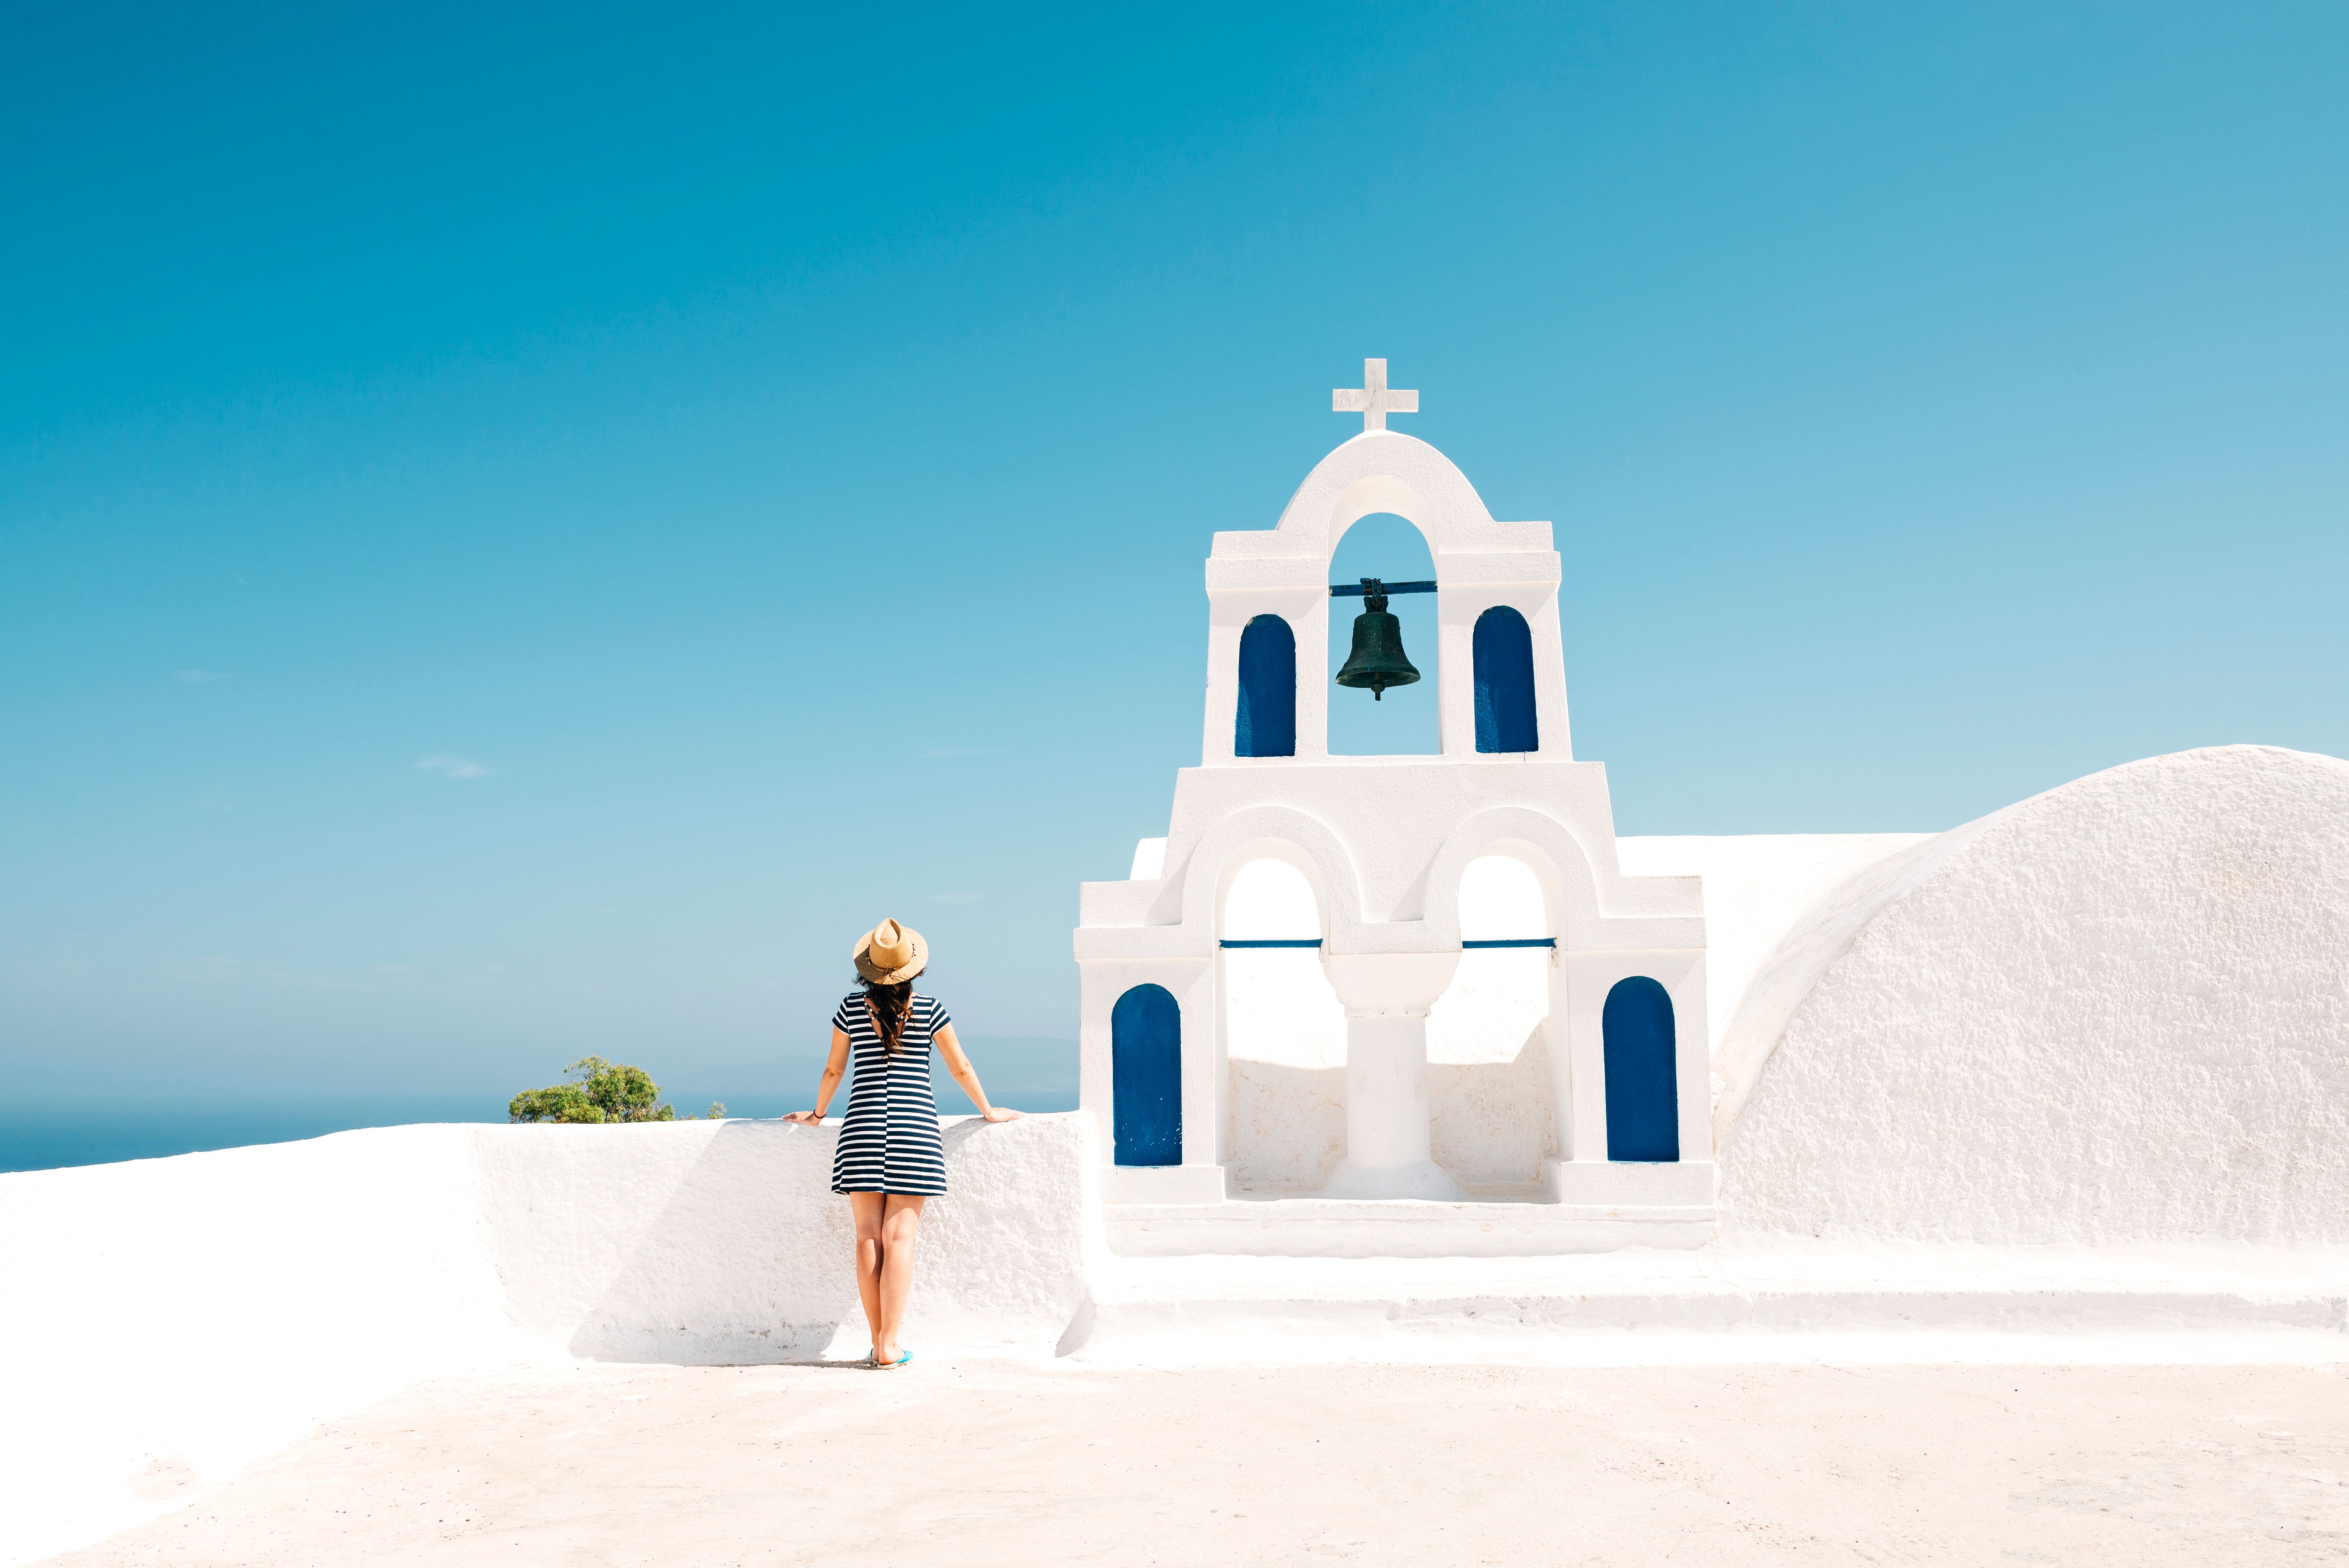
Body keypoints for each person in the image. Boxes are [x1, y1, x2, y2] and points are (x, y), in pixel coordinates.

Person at [783, 918, 1020, 1368]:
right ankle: (890, 1343)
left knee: (867, 1236)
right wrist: (989, 1111)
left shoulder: (850, 1009)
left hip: (862, 1129)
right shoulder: (930, 1009)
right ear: (912, 967)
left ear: (867, 968)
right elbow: (961, 1066)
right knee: (900, 1237)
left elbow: (834, 1071)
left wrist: (816, 1114)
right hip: (914, 1130)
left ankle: (878, 1343)